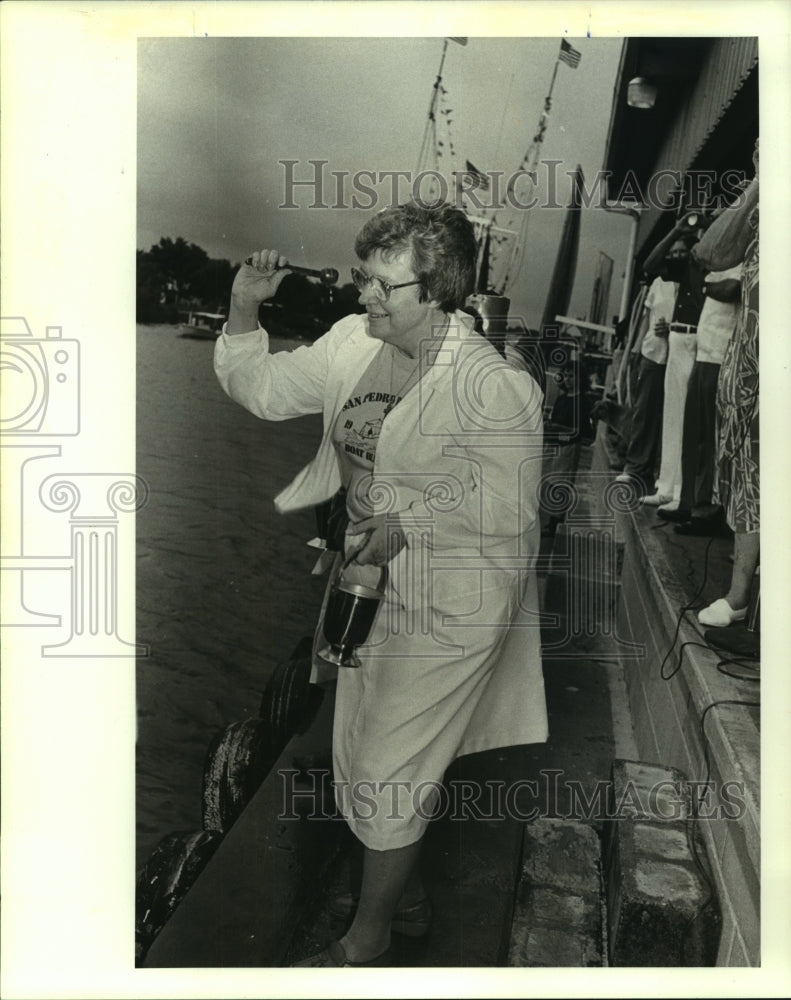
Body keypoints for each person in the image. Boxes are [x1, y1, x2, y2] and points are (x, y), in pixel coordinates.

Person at [214, 202, 548, 966]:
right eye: (364, 276)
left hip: (454, 599)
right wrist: (242, 306)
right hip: (364, 585)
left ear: (438, 293)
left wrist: (409, 516)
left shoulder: (492, 385)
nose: (363, 295)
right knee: (360, 749)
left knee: (389, 763)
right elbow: (261, 389)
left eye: (383, 286)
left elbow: (508, 508)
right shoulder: (349, 343)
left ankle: (365, 943)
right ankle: (409, 899)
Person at [693, 144, 759, 628]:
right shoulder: (762, 206)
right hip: (748, 366)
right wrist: (759, 187)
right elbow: (711, 252)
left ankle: (747, 599)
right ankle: (739, 597)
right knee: (750, 478)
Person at [639, 213, 709, 511]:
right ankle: (666, 487)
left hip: (701, 339)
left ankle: (682, 491)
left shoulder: (720, 264)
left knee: (688, 418)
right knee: (672, 413)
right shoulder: (688, 264)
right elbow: (650, 266)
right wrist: (675, 231)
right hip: (679, 339)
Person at [615, 275, 678, 489]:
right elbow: (646, 317)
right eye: (674, 252)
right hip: (653, 352)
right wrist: (636, 347)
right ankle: (635, 467)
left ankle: (660, 473)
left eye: (682, 252)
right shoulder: (659, 283)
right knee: (644, 410)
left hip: (679, 352)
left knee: (670, 414)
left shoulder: (694, 280)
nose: (677, 256)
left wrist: (673, 327)